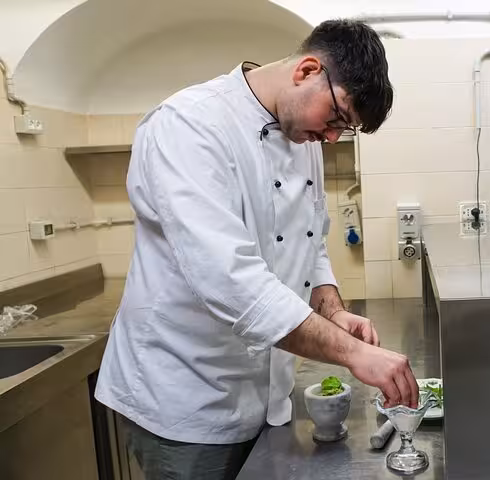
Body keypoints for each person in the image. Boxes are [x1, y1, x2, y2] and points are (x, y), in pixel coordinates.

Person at [94, 19, 420, 480]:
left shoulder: (300, 133)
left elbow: (312, 241)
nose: (330, 138)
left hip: (267, 394)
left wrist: (332, 310)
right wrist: (351, 353)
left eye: (343, 131)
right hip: (187, 399)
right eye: (335, 119)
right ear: (307, 70)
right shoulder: (189, 126)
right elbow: (230, 281)